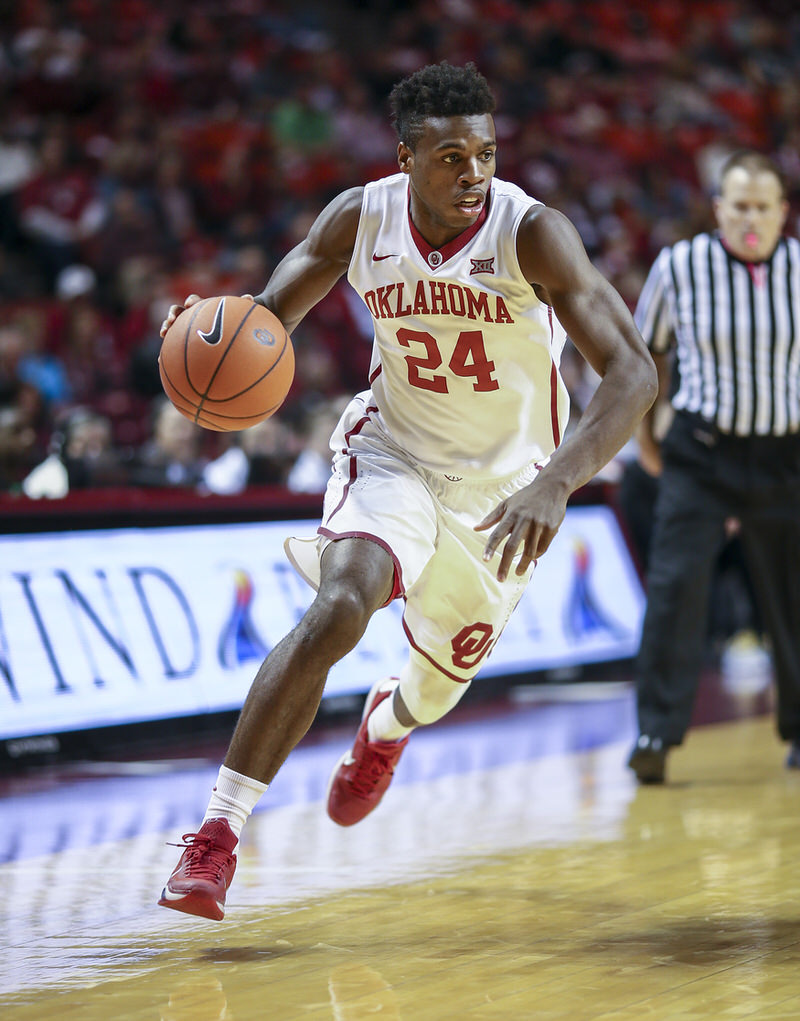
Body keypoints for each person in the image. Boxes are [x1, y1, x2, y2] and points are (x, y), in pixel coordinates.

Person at [158, 62, 656, 921]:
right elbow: (264, 318)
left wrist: (559, 482)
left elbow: (634, 373)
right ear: (406, 158)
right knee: (341, 605)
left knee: (434, 690)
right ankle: (217, 835)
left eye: (488, 154)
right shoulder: (360, 216)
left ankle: (384, 727)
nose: (475, 174)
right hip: (392, 452)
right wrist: (206, 334)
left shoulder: (532, 235)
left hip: (507, 491)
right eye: (453, 157)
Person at [627, 151, 800, 785]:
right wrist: (646, 441)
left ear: (782, 213)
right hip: (700, 453)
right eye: (740, 206)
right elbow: (647, 358)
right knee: (674, 591)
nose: (750, 219)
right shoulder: (680, 266)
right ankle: (655, 734)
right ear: (719, 209)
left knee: (792, 597)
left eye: (763, 207)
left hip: (785, 455)